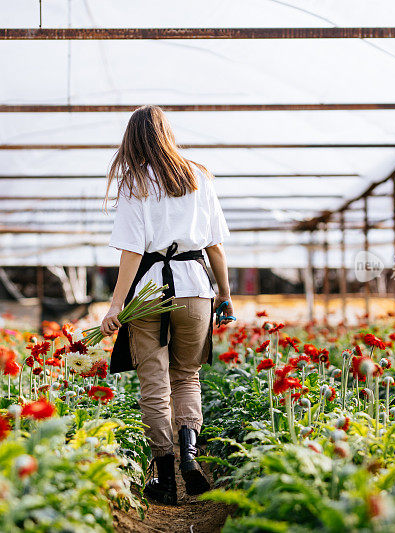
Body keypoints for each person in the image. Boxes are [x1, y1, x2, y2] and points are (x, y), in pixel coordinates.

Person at [100, 105, 234, 505]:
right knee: (186, 376)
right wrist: (225, 295)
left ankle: (165, 477)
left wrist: (115, 305)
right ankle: (190, 460)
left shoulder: (133, 183)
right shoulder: (199, 176)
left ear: (133, 139)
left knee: (154, 381)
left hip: (149, 292)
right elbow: (215, 246)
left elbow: (131, 251)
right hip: (196, 288)